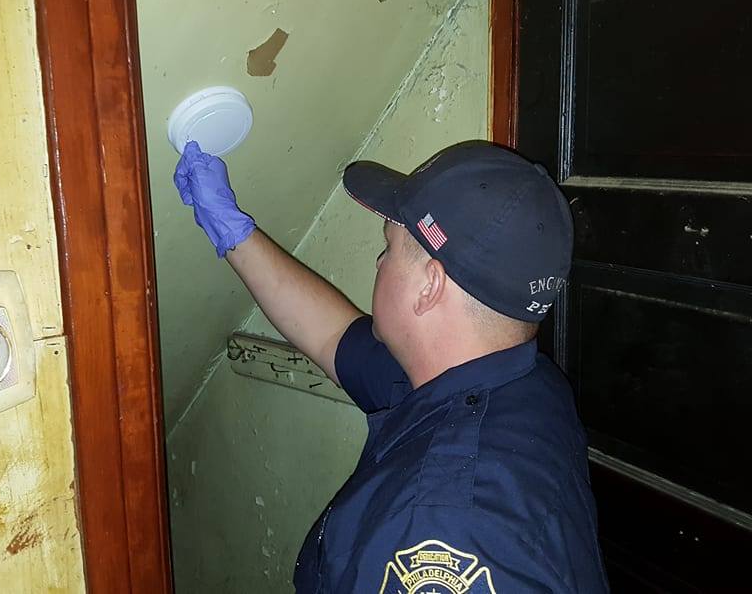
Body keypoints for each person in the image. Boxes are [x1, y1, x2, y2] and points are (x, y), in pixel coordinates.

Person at [173, 139, 609, 593]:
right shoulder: (518, 381)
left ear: (429, 287)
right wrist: (233, 231)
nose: (380, 262)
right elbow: (331, 335)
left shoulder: (439, 535)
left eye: (389, 247)